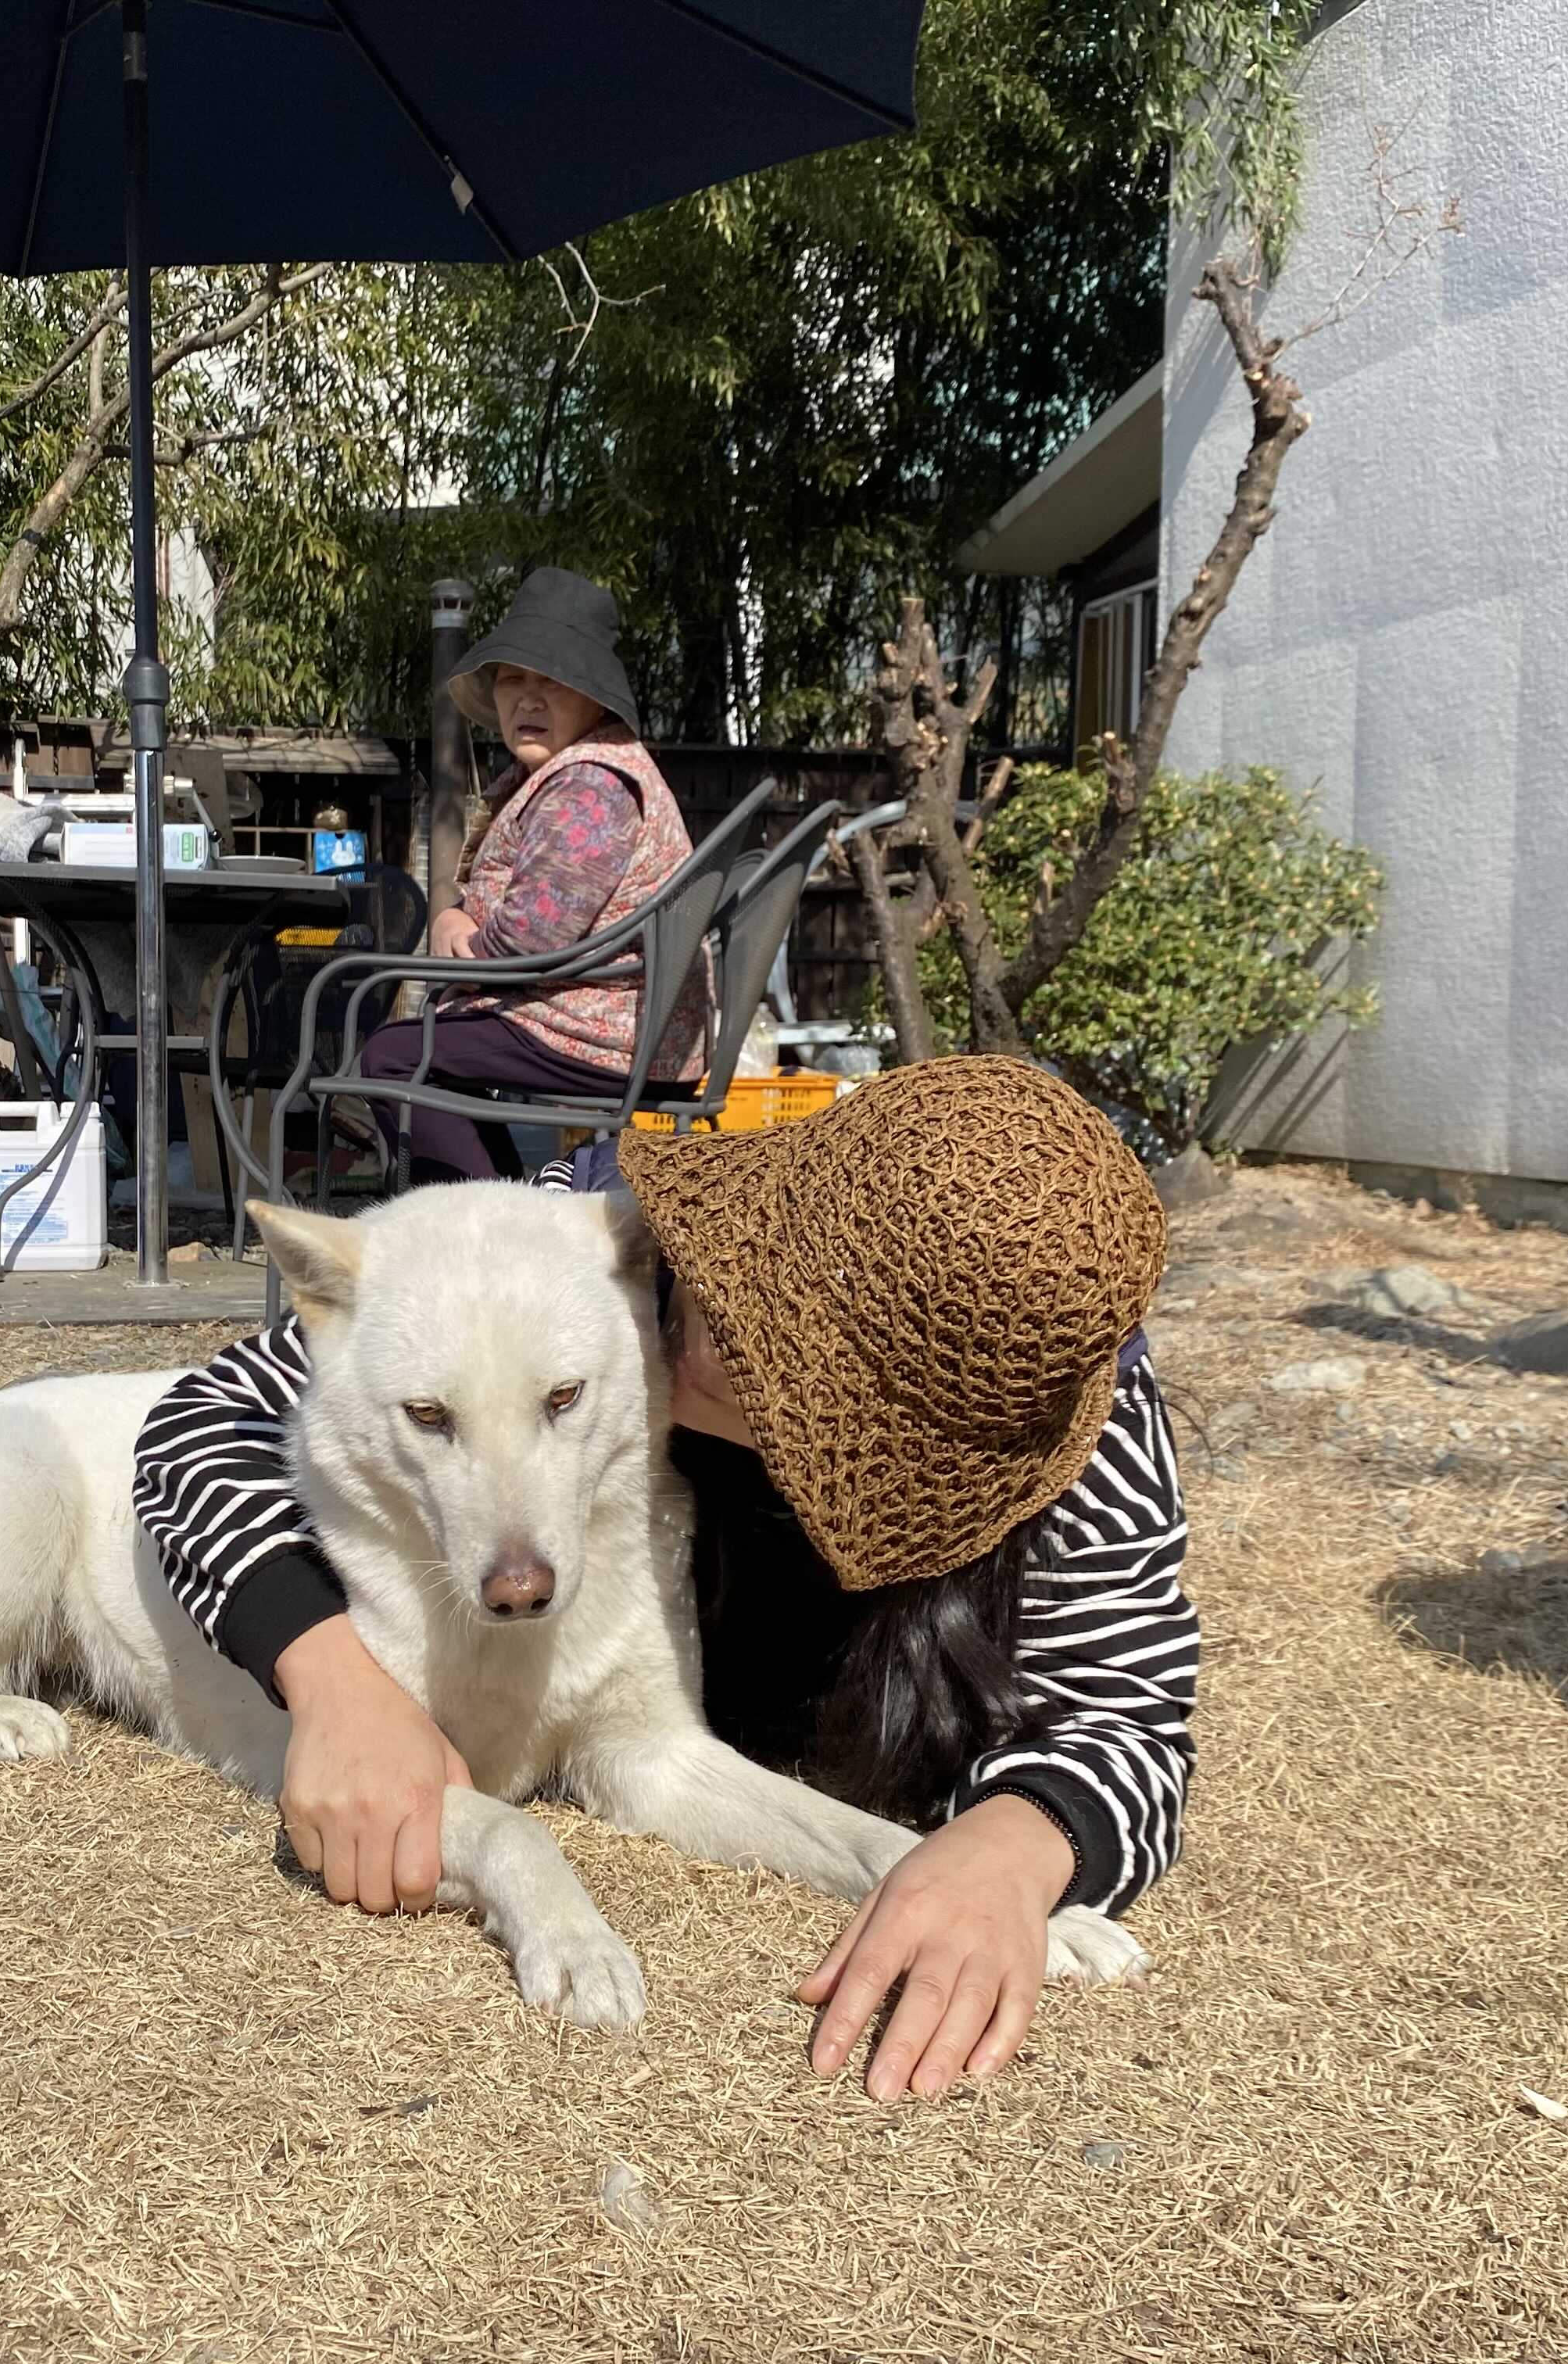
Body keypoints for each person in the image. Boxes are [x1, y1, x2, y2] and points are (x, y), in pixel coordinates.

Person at [130, 1059, 1197, 2102]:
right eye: (741, 1292)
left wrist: (1014, 1852)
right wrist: (335, 1680)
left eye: (791, 1375)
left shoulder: (1070, 1412)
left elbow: (1131, 1716)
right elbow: (197, 1425)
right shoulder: (573, 1234)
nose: (697, 1346)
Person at [356, 566, 707, 1181]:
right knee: (428, 1051)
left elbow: (532, 938)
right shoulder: (568, 772)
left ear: (594, 698)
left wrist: (460, 937)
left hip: (603, 1030)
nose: (529, 699)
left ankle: (488, 1224)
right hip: (592, 1019)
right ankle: (505, 1206)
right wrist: (456, 914)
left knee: (394, 1056)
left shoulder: (591, 786)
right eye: (513, 679)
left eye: (553, 682)